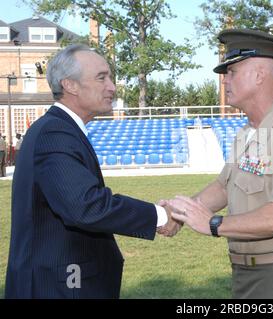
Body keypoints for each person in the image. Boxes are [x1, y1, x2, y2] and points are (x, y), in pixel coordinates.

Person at [162, 29, 273, 299]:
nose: (224, 80)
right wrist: (180, 211)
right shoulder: (251, 132)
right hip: (248, 275)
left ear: (259, 75)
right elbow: (224, 188)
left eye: (232, 72)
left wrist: (214, 224)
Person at [5, 44, 178, 299]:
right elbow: (85, 205)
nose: (112, 86)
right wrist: (160, 216)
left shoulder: (61, 129)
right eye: (101, 78)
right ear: (70, 85)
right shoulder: (55, 133)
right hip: (58, 287)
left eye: (110, 77)